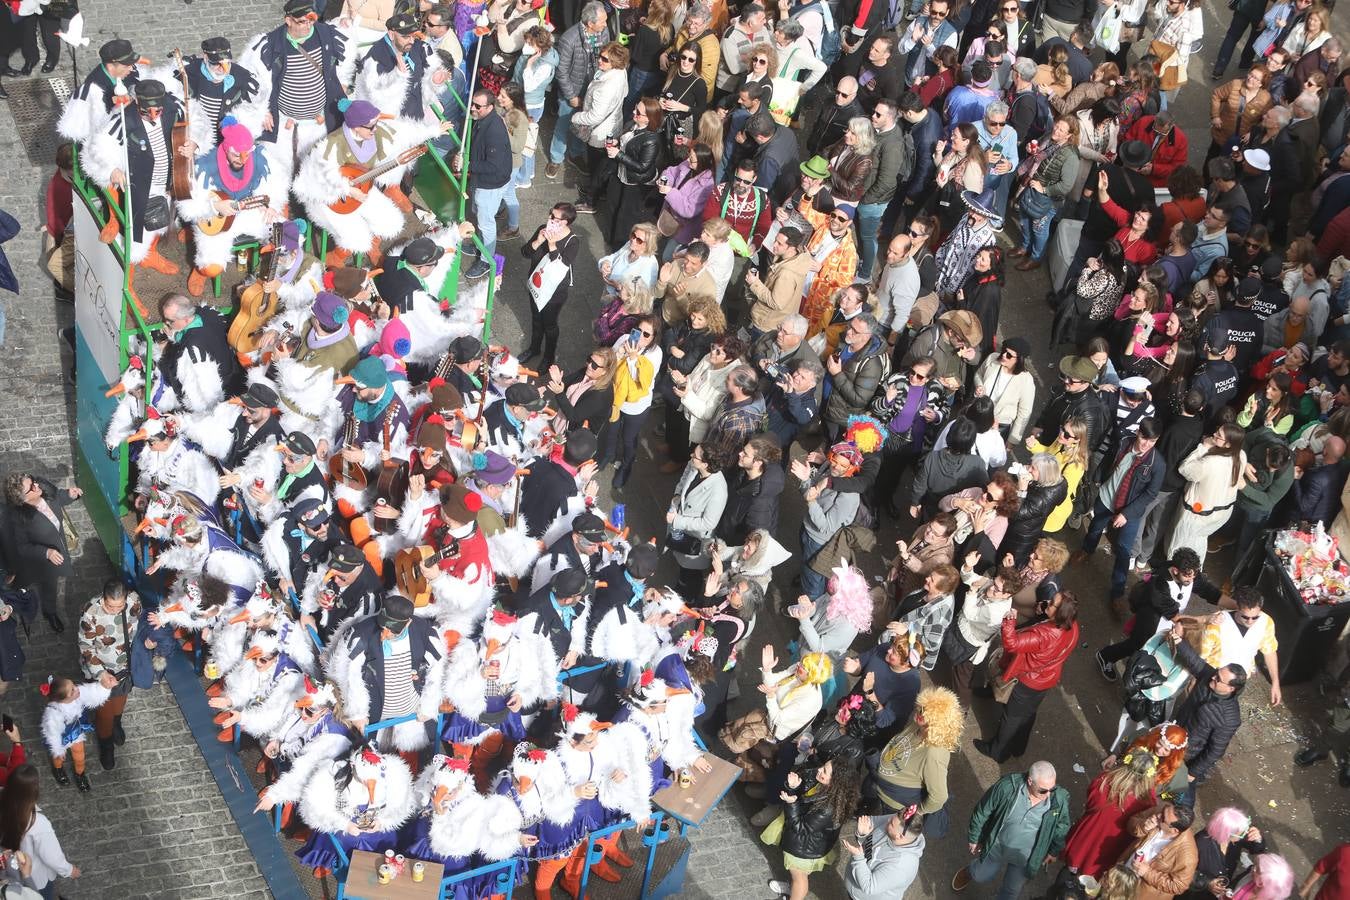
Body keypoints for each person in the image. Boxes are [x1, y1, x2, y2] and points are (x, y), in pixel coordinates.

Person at [976, 591, 1080, 763]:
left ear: (1060, 613)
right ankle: (1019, 746)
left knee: (1012, 717)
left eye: (1052, 603)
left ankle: (998, 751)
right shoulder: (1072, 626)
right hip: (1046, 678)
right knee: (1028, 713)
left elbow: (1012, 643)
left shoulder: (1045, 634)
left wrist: (1009, 622)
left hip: (1027, 681)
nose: (1048, 602)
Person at [953, 761, 1072, 899]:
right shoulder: (1008, 787)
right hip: (997, 846)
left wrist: (1054, 850)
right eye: (1043, 790)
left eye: (1052, 789)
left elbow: (1062, 826)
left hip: (1025, 857)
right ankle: (970, 872)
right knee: (980, 875)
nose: (1048, 795)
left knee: (1011, 892)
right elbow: (982, 811)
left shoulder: (1059, 799)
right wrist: (975, 838)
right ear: (1029, 781)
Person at [1165, 622, 1246, 805]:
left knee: (1174, 794)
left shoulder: (1230, 718)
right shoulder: (1208, 676)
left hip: (1187, 755)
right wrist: (1179, 640)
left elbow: (1215, 750)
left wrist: (1193, 773)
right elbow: (1194, 661)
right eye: (1216, 673)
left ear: (1231, 689)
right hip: (1173, 732)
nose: (1213, 678)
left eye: (1219, 679)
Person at [762, 757, 864, 900]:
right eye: (823, 766)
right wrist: (795, 788)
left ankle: (795, 893)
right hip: (812, 844)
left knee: (799, 876)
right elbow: (806, 803)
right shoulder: (834, 793)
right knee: (800, 874)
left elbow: (800, 828)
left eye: (824, 771)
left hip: (804, 846)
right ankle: (792, 889)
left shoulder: (827, 808)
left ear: (834, 781)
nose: (819, 770)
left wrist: (791, 803)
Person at [868, 686, 962, 831]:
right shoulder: (918, 724)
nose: (919, 712)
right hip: (880, 786)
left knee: (884, 832)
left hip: (894, 805)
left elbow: (939, 796)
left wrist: (919, 811)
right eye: (920, 707)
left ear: (938, 721)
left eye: (926, 712)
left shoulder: (935, 753)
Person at [77, 580, 147, 772]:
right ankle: (106, 743)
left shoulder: (134, 601)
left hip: (125, 668)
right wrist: (100, 674)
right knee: (104, 714)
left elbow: (140, 627)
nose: (115, 610)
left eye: (119, 606)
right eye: (110, 606)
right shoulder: (90, 612)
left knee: (120, 702)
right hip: (100, 672)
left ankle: (117, 722)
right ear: (103, 598)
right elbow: (86, 646)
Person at [2, 473, 80, 633]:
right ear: (22, 499)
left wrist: (69, 495)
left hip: (57, 545)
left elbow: (58, 495)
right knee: (48, 583)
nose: (37, 486)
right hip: (42, 558)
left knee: (50, 583)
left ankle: (49, 611)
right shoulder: (19, 518)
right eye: (31, 487)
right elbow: (22, 547)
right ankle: (50, 612)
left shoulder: (40, 486)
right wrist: (47, 552)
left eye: (33, 482)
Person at [546, 1, 610, 178]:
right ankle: (556, 158)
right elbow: (562, 72)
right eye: (602, 21)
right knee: (564, 124)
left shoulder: (603, 32)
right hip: (572, 92)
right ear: (590, 24)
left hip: (592, 89)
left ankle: (575, 154)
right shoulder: (570, 38)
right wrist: (571, 96)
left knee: (583, 125)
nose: (606, 25)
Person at [0, 764, 79, 899]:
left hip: (8, 870)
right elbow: (51, 856)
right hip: (34, 877)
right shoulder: (38, 823)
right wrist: (70, 870)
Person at [520, 203, 582, 371]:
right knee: (535, 318)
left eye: (554, 218)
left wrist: (552, 245)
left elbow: (561, 266)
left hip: (555, 293)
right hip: (537, 284)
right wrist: (538, 240)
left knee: (549, 324)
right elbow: (525, 253)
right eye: (550, 215)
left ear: (565, 222)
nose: (550, 220)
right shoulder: (543, 229)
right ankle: (534, 349)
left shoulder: (572, 242)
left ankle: (549, 357)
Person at [842, 806, 927, 899]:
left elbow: (869, 887)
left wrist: (858, 857)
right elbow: (870, 821)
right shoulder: (897, 822)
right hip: (853, 888)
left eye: (891, 823)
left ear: (900, 836)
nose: (888, 820)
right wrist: (863, 835)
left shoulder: (900, 867)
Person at [1185, 806, 1268, 899]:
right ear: (1227, 833)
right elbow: (1184, 871)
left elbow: (1257, 850)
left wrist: (1258, 839)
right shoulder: (1200, 843)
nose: (1246, 833)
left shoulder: (1237, 836)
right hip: (1197, 894)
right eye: (1242, 833)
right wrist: (1207, 883)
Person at [1120, 802, 1199, 900]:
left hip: (1137, 893)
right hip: (1120, 874)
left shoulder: (1187, 856)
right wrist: (1143, 826)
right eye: (1163, 811)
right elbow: (1131, 822)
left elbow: (1178, 886)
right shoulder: (1162, 811)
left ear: (1174, 830)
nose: (1158, 815)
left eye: (1163, 818)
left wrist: (1147, 873)